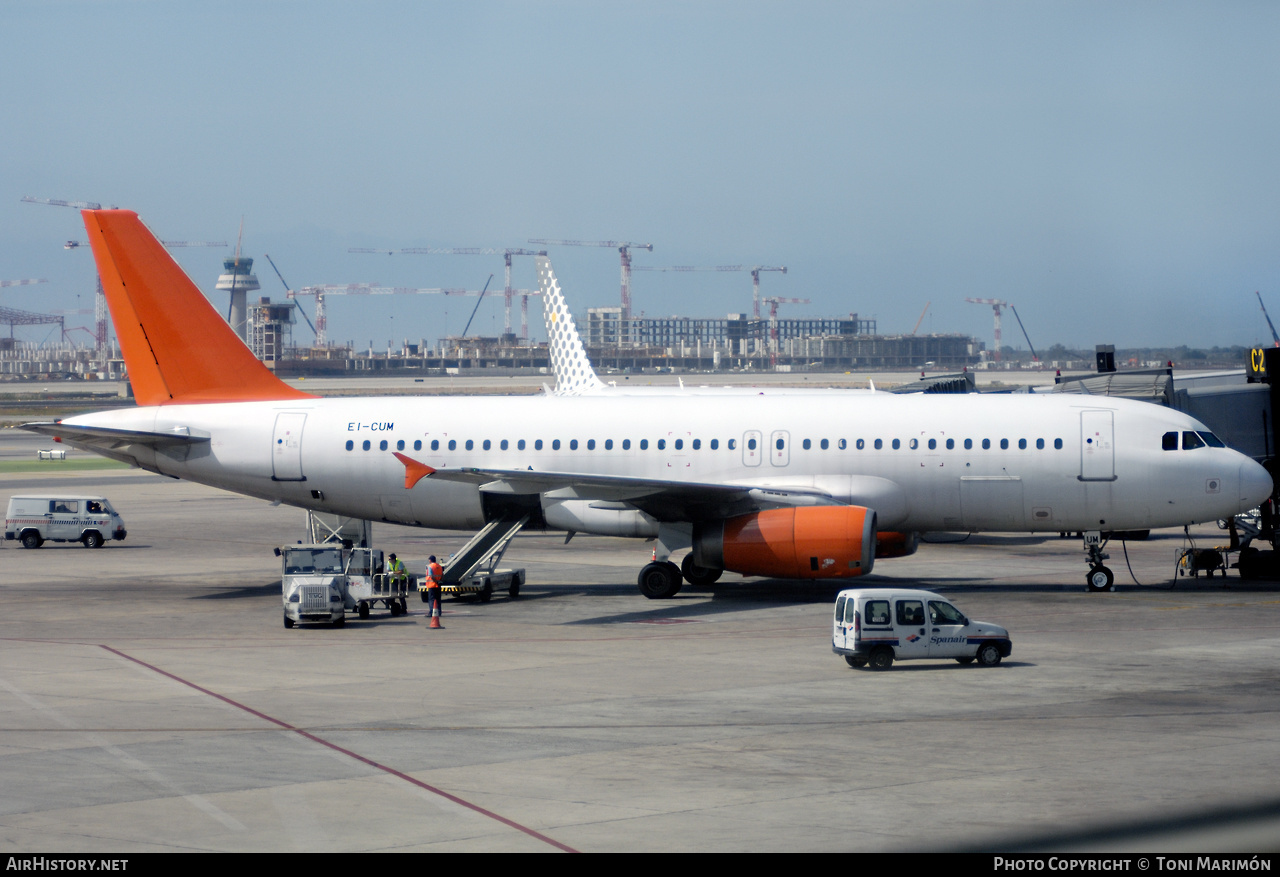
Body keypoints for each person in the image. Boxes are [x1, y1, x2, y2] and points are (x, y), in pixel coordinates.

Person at [423, 555, 444, 629]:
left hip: (432, 585)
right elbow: (442, 575)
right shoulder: (439, 566)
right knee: (438, 599)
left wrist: (435, 581)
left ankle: (432, 612)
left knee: (431, 599)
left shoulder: (430, 566)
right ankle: (439, 612)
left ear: (430, 560)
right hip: (438, 585)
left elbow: (431, 576)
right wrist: (439, 581)